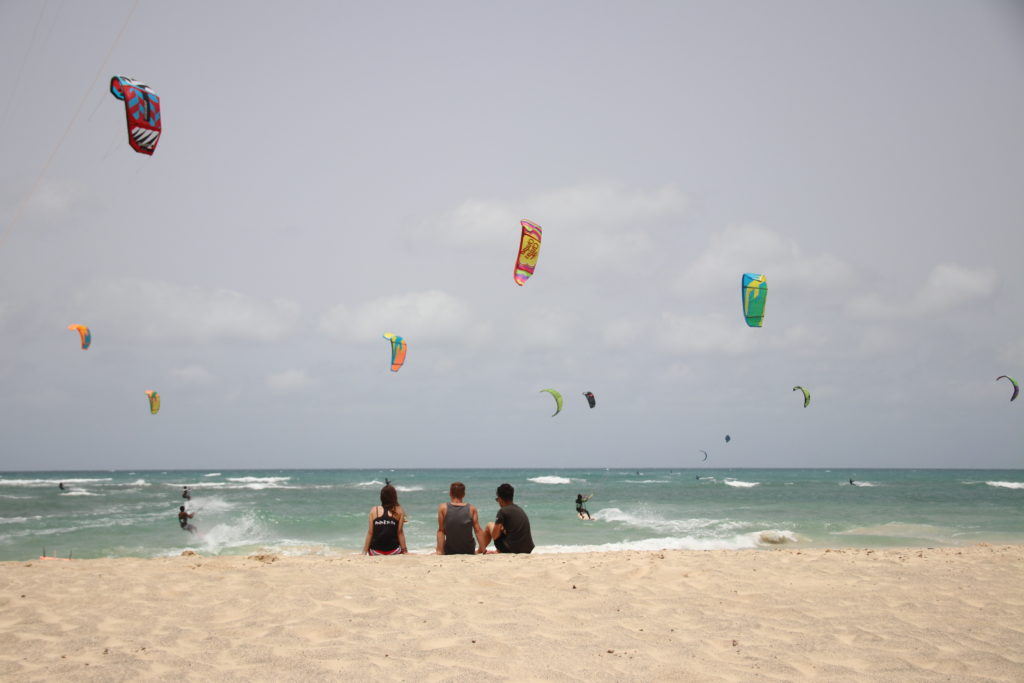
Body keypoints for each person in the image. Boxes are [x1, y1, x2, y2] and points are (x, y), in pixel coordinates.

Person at [480, 483, 534, 554]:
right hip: (527, 549)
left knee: (489, 525)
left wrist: (498, 530)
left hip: (512, 549)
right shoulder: (519, 509)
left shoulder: (502, 511)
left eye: (497, 499)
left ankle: (479, 551)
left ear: (500, 499)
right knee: (504, 530)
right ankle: (498, 551)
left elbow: (495, 536)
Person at [436, 482, 485, 555]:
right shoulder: (472, 508)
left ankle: (440, 551)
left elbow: (441, 531)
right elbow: (477, 530)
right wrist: (483, 549)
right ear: (463, 494)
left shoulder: (443, 508)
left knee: (440, 533)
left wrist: (440, 550)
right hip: (469, 550)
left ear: (450, 493)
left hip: (450, 550)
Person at [362, 484, 407, 556]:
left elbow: (370, 532)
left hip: (375, 552)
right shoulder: (399, 510)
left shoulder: (374, 510)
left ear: (381, 497)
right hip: (394, 551)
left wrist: (364, 552)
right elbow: (400, 533)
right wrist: (405, 551)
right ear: (394, 497)